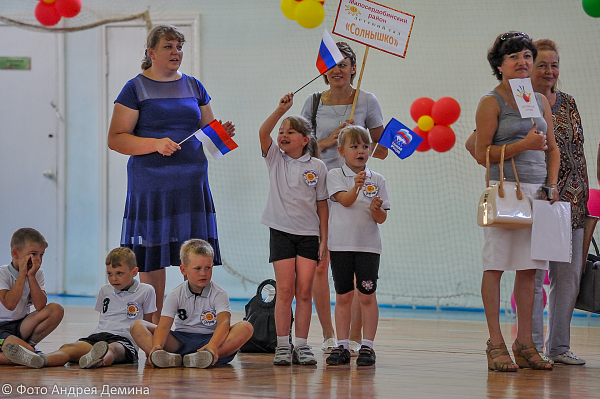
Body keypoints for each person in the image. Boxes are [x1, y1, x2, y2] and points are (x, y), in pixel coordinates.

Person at [107, 24, 235, 324]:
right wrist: (154, 143)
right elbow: (116, 139)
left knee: (195, 253)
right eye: (168, 46)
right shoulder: (134, 88)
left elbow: (207, 130)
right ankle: (152, 326)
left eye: (179, 46)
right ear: (151, 52)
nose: (176, 52)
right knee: (153, 254)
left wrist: (221, 133)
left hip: (191, 182)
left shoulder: (194, 86)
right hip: (151, 185)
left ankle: (195, 321)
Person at [473, 32, 558, 371]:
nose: (523, 62)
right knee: (495, 266)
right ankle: (495, 343)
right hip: (505, 191)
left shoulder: (538, 99)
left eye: (526, 55)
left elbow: (551, 148)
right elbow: (483, 154)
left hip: (538, 192)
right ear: (499, 65)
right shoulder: (490, 102)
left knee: (529, 270)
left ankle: (526, 341)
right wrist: (522, 145)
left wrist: (551, 185)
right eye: (514, 57)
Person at [300, 42, 386, 354]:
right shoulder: (311, 104)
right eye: (331, 64)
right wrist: (329, 140)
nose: (337, 69)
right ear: (323, 70)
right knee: (322, 266)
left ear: (353, 67)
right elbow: (299, 150)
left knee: (356, 271)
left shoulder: (367, 100)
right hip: (320, 191)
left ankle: (356, 341)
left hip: (357, 193)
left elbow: (383, 147)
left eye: (344, 63)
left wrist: (358, 141)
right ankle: (328, 337)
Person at [530, 39, 589, 366]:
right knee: (536, 277)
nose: (550, 71)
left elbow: (576, 151)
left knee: (569, 279)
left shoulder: (568, 102)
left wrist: (583, 193)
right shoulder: (523, 105)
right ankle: (534, 346)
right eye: (542, 64)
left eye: (554, 65)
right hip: (544, 201)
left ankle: (559, 347)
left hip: (575, 203)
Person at [259, 93, 328, 365]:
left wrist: (324, 240)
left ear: (305, 139)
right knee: (285, 291)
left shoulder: (318, 167)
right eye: (282, 131)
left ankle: (302, 344)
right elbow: (263, 131)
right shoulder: (275, 158)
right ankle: (282, 345)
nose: (283, 135)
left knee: (304, 291)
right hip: (281, 233)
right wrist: (280, 110)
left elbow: (322, 206)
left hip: (309, 236)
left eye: (291, 131)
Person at [3, 247, 156, 369]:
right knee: (68, 348)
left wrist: (150, 351)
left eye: (119, 273)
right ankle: (38, 360)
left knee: (112, 349)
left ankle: (95, 360)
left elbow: (146, 325)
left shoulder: (146, 290)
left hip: (124, 341)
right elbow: (104, 318)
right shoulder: (105, 290)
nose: (113, 278)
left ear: (134, 272)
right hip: (98, 336)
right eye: (109, 273)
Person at [130, 239, 253, 368]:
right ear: (183, 270)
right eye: (197, 268)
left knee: (246, 327)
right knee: (137, 326)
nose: (203, 273)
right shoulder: (175, 294)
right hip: (180, 341)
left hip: (210, 339)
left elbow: (224, 323)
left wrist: (213, 345)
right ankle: (162, 357)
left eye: (208, 268)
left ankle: (207, 355)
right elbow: (164, 326)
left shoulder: (219, 294)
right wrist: (157, 345)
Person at [324, 126, 390, 367]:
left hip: (368, 247)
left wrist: (376, 210)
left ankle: (367, 346)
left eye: (364, 146)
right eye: (354, 147)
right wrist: (357, 186)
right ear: (341, 151)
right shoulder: (335, 176)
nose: (360, 151)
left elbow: (382, 218)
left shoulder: (378, 179)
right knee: (343, 296)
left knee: (367, 296)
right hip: (341, 245)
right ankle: (342, 345)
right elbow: (345, 200)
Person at [0, 228, 64, 365]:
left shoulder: (37, 273)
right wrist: (22, 275)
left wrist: (32, 277)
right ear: (15, 253)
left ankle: (27, 349)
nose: (38, 260)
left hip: (21, 325)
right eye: (33, 254)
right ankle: (28, 352)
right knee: (21, 350)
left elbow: (40, 306)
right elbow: (10, 304)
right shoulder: (2, 273)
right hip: (1, 328)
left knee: (55, 309)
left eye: (42, 255)